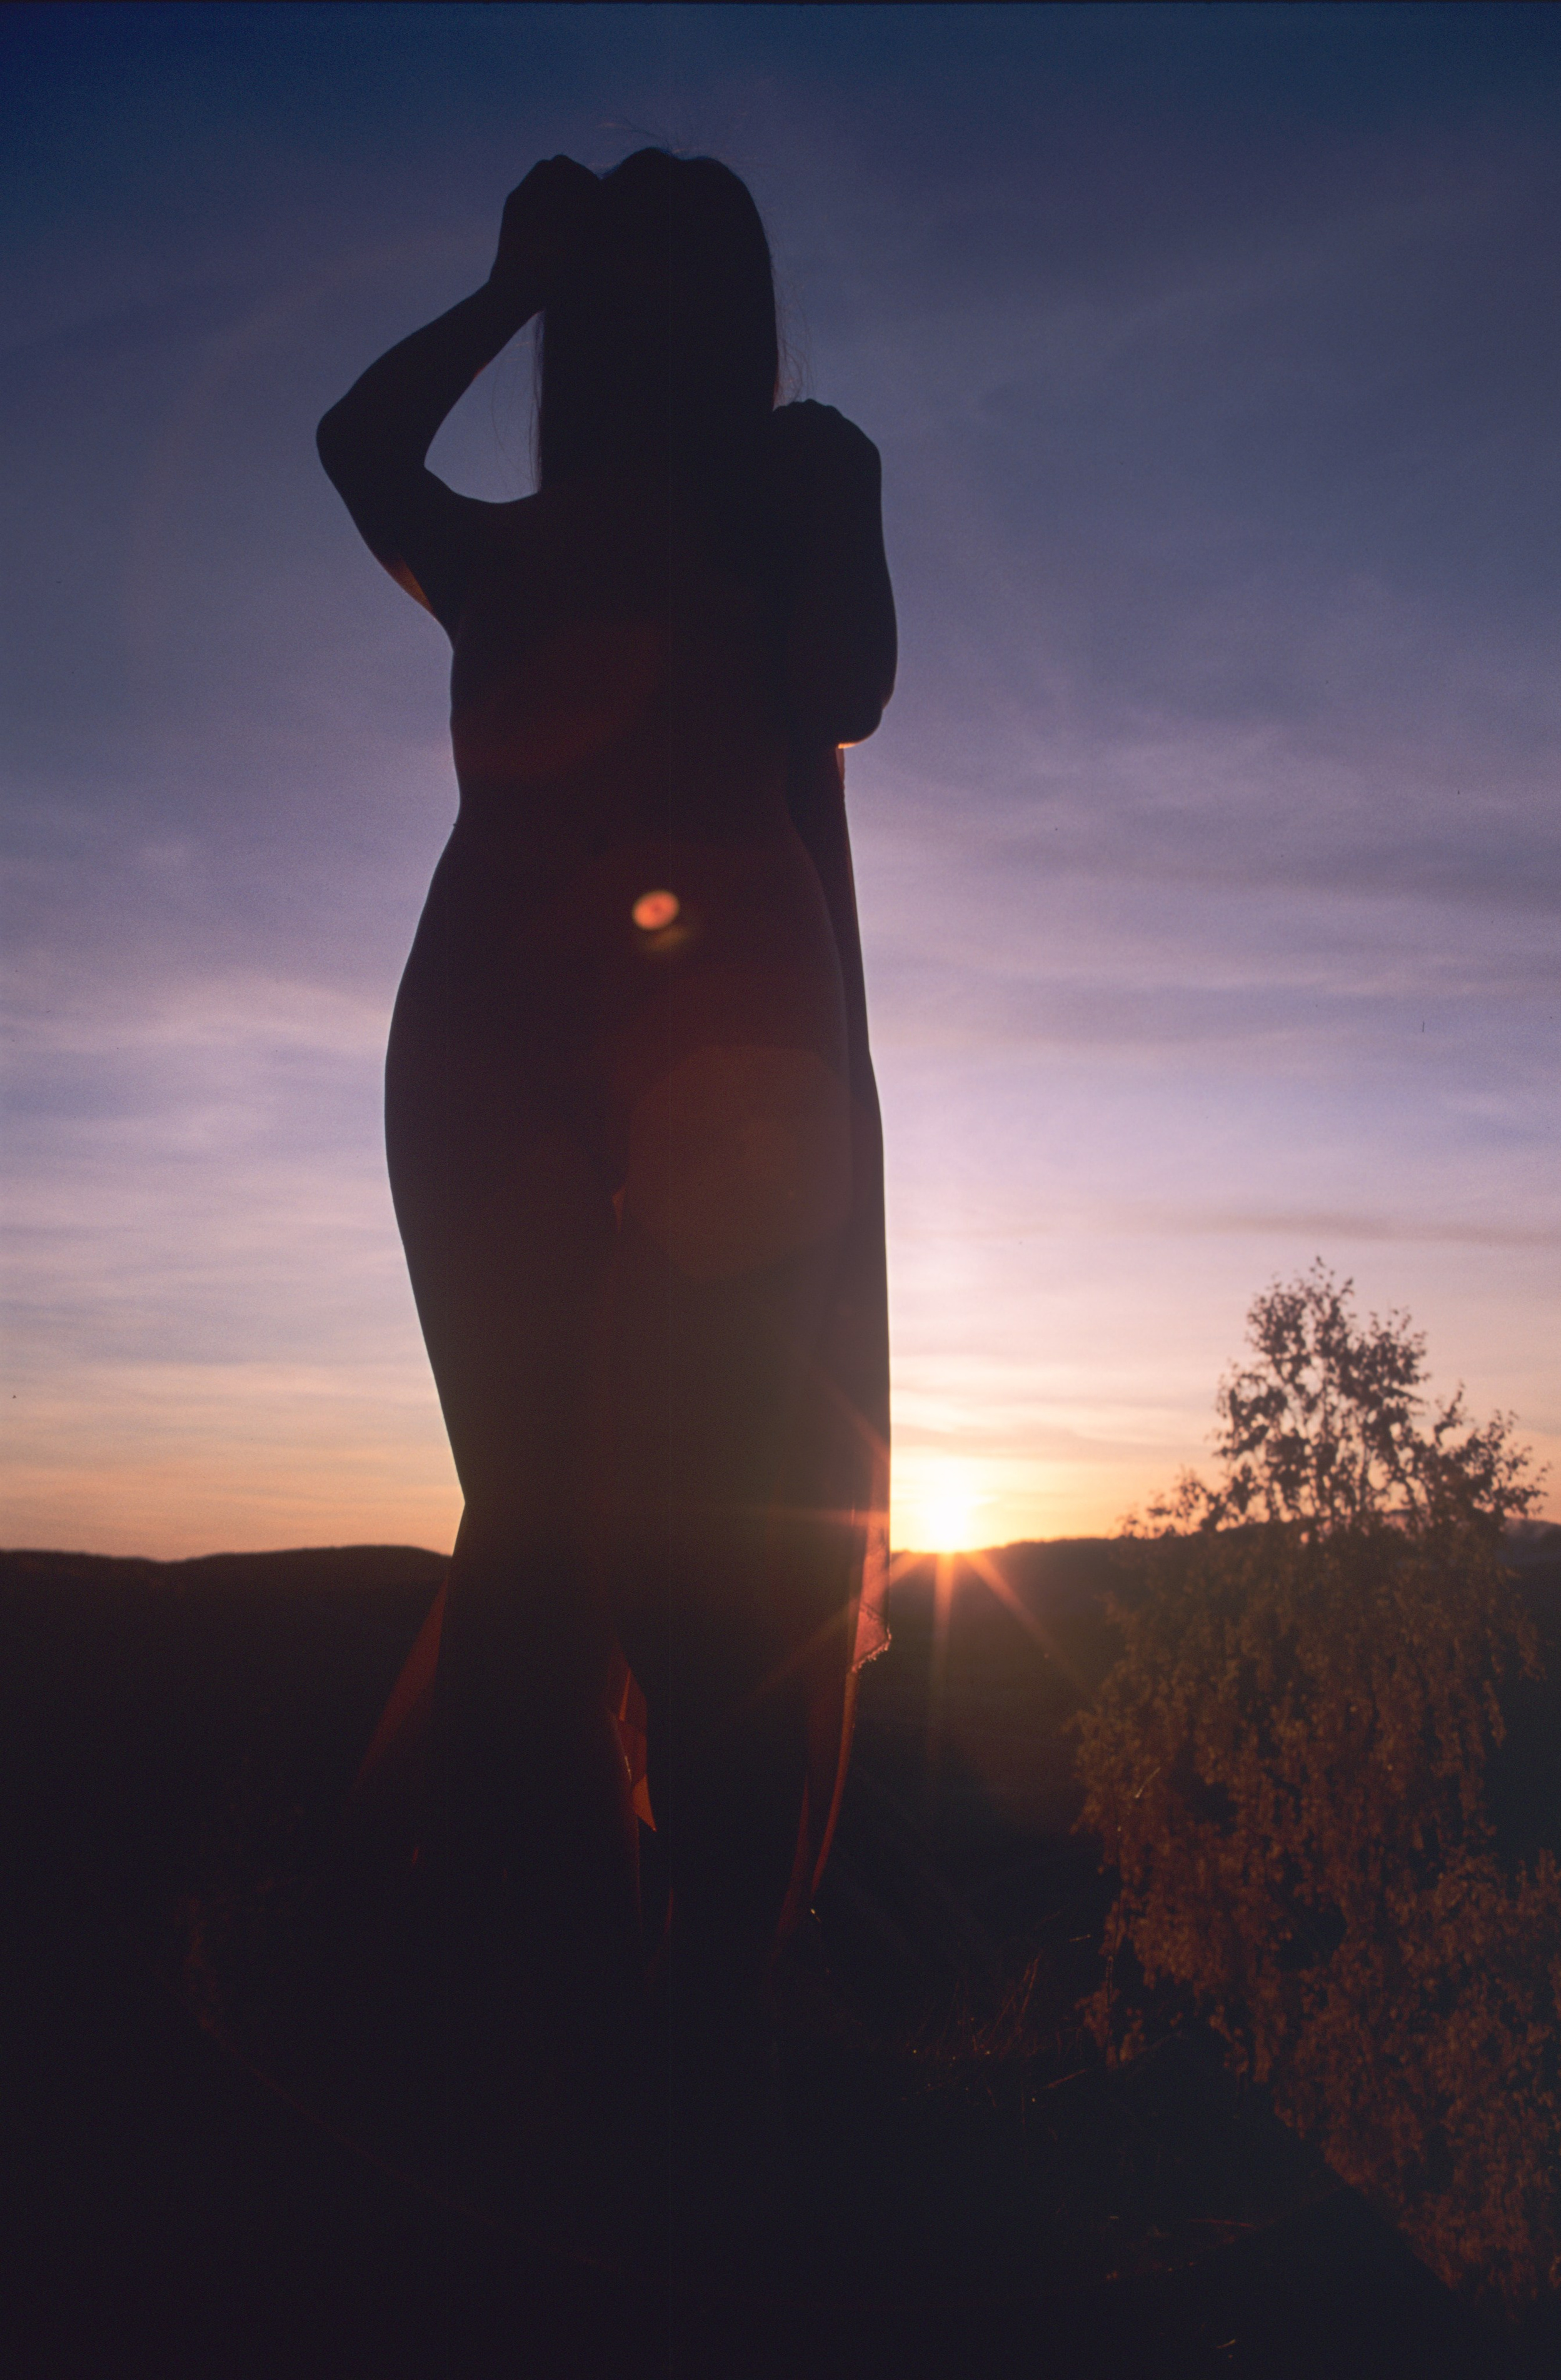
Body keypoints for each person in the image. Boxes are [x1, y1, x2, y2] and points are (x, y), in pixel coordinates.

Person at [316, 149, 894, 2181]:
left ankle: (703, 2020)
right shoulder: (508, 547)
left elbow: (849, 689)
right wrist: (505, 284)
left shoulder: (797, 473)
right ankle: (542, 2012)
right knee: (540, 1531)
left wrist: (817, 485)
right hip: (487, 1048)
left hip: (729, 1053)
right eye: (602, 284)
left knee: (705, 1548)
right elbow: (358, 443)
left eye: (648, 276)